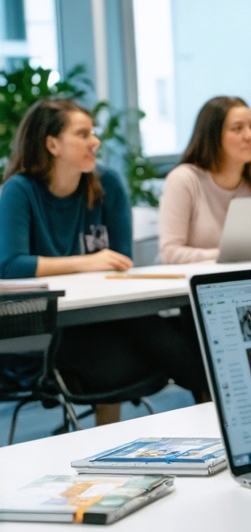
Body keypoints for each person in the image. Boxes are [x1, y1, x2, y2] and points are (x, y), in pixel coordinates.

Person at [0, 99, 208, 424]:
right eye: (83, 134)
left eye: (93, 132)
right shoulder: (19, 190)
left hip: (110, 312)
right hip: (57, 327)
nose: (95, 141)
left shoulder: (106, 183)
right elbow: (10, 266)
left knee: (174, 342)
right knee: (150, 354)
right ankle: (210, 402)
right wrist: (87, 262)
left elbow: (119, 260)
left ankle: (209, 405)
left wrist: (95, 263)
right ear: (52, 144)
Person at [158, 96, 251, 263]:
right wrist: (228, 255)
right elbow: (170, 253)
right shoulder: (184, 179)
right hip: (198, 281)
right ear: (213, 137)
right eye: (238, 129)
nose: (250, 136)